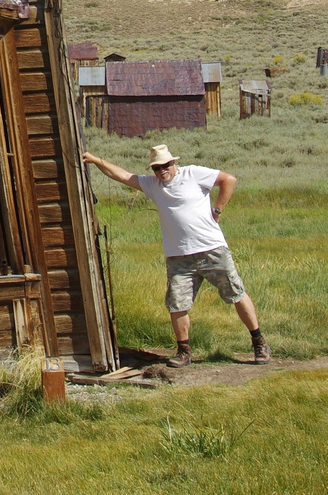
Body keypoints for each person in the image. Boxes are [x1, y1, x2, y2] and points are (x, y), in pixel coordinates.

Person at [82, 143, 268, 367]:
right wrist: (95, 160)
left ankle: (258, 342)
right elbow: (122, 175)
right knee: (177, 303)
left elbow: (228, 179)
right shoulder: (152, 185)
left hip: (211, 249)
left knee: (236, 293)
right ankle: (184, 351)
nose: (162, 171)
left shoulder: (193, 173)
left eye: (165, 165)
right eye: (156, 168)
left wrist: (217, 210)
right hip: (178, 256)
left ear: (173, 163)